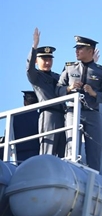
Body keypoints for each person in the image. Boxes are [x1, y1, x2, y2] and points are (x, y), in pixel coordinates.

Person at [57, 36, 102, 171]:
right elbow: (58, 89)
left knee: (94, 149)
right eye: (76, 48)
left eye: (80, 48)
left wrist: (94, 93)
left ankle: (94, 177)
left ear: (91, 51)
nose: (76, 51)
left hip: (92, 114)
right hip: (72, 112)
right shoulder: (69, 68)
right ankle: (71, 172)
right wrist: (70, 88)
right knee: (72, 145)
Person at [27, 28, 65, 157]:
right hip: (49, 115)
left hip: (63, 115)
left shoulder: (56, 76)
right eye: (44, 59)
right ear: (37, 60)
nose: (48, 62)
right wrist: (34, 46)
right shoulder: (36, 76)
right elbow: (29, 68)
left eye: (50, 59)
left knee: (63, 151)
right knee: (47, 151)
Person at [12, 91, 40, 163]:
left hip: (19, 152)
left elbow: (9, 134)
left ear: (25, 102)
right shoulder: (40, 117)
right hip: (36, 151)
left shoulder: (14, 117)